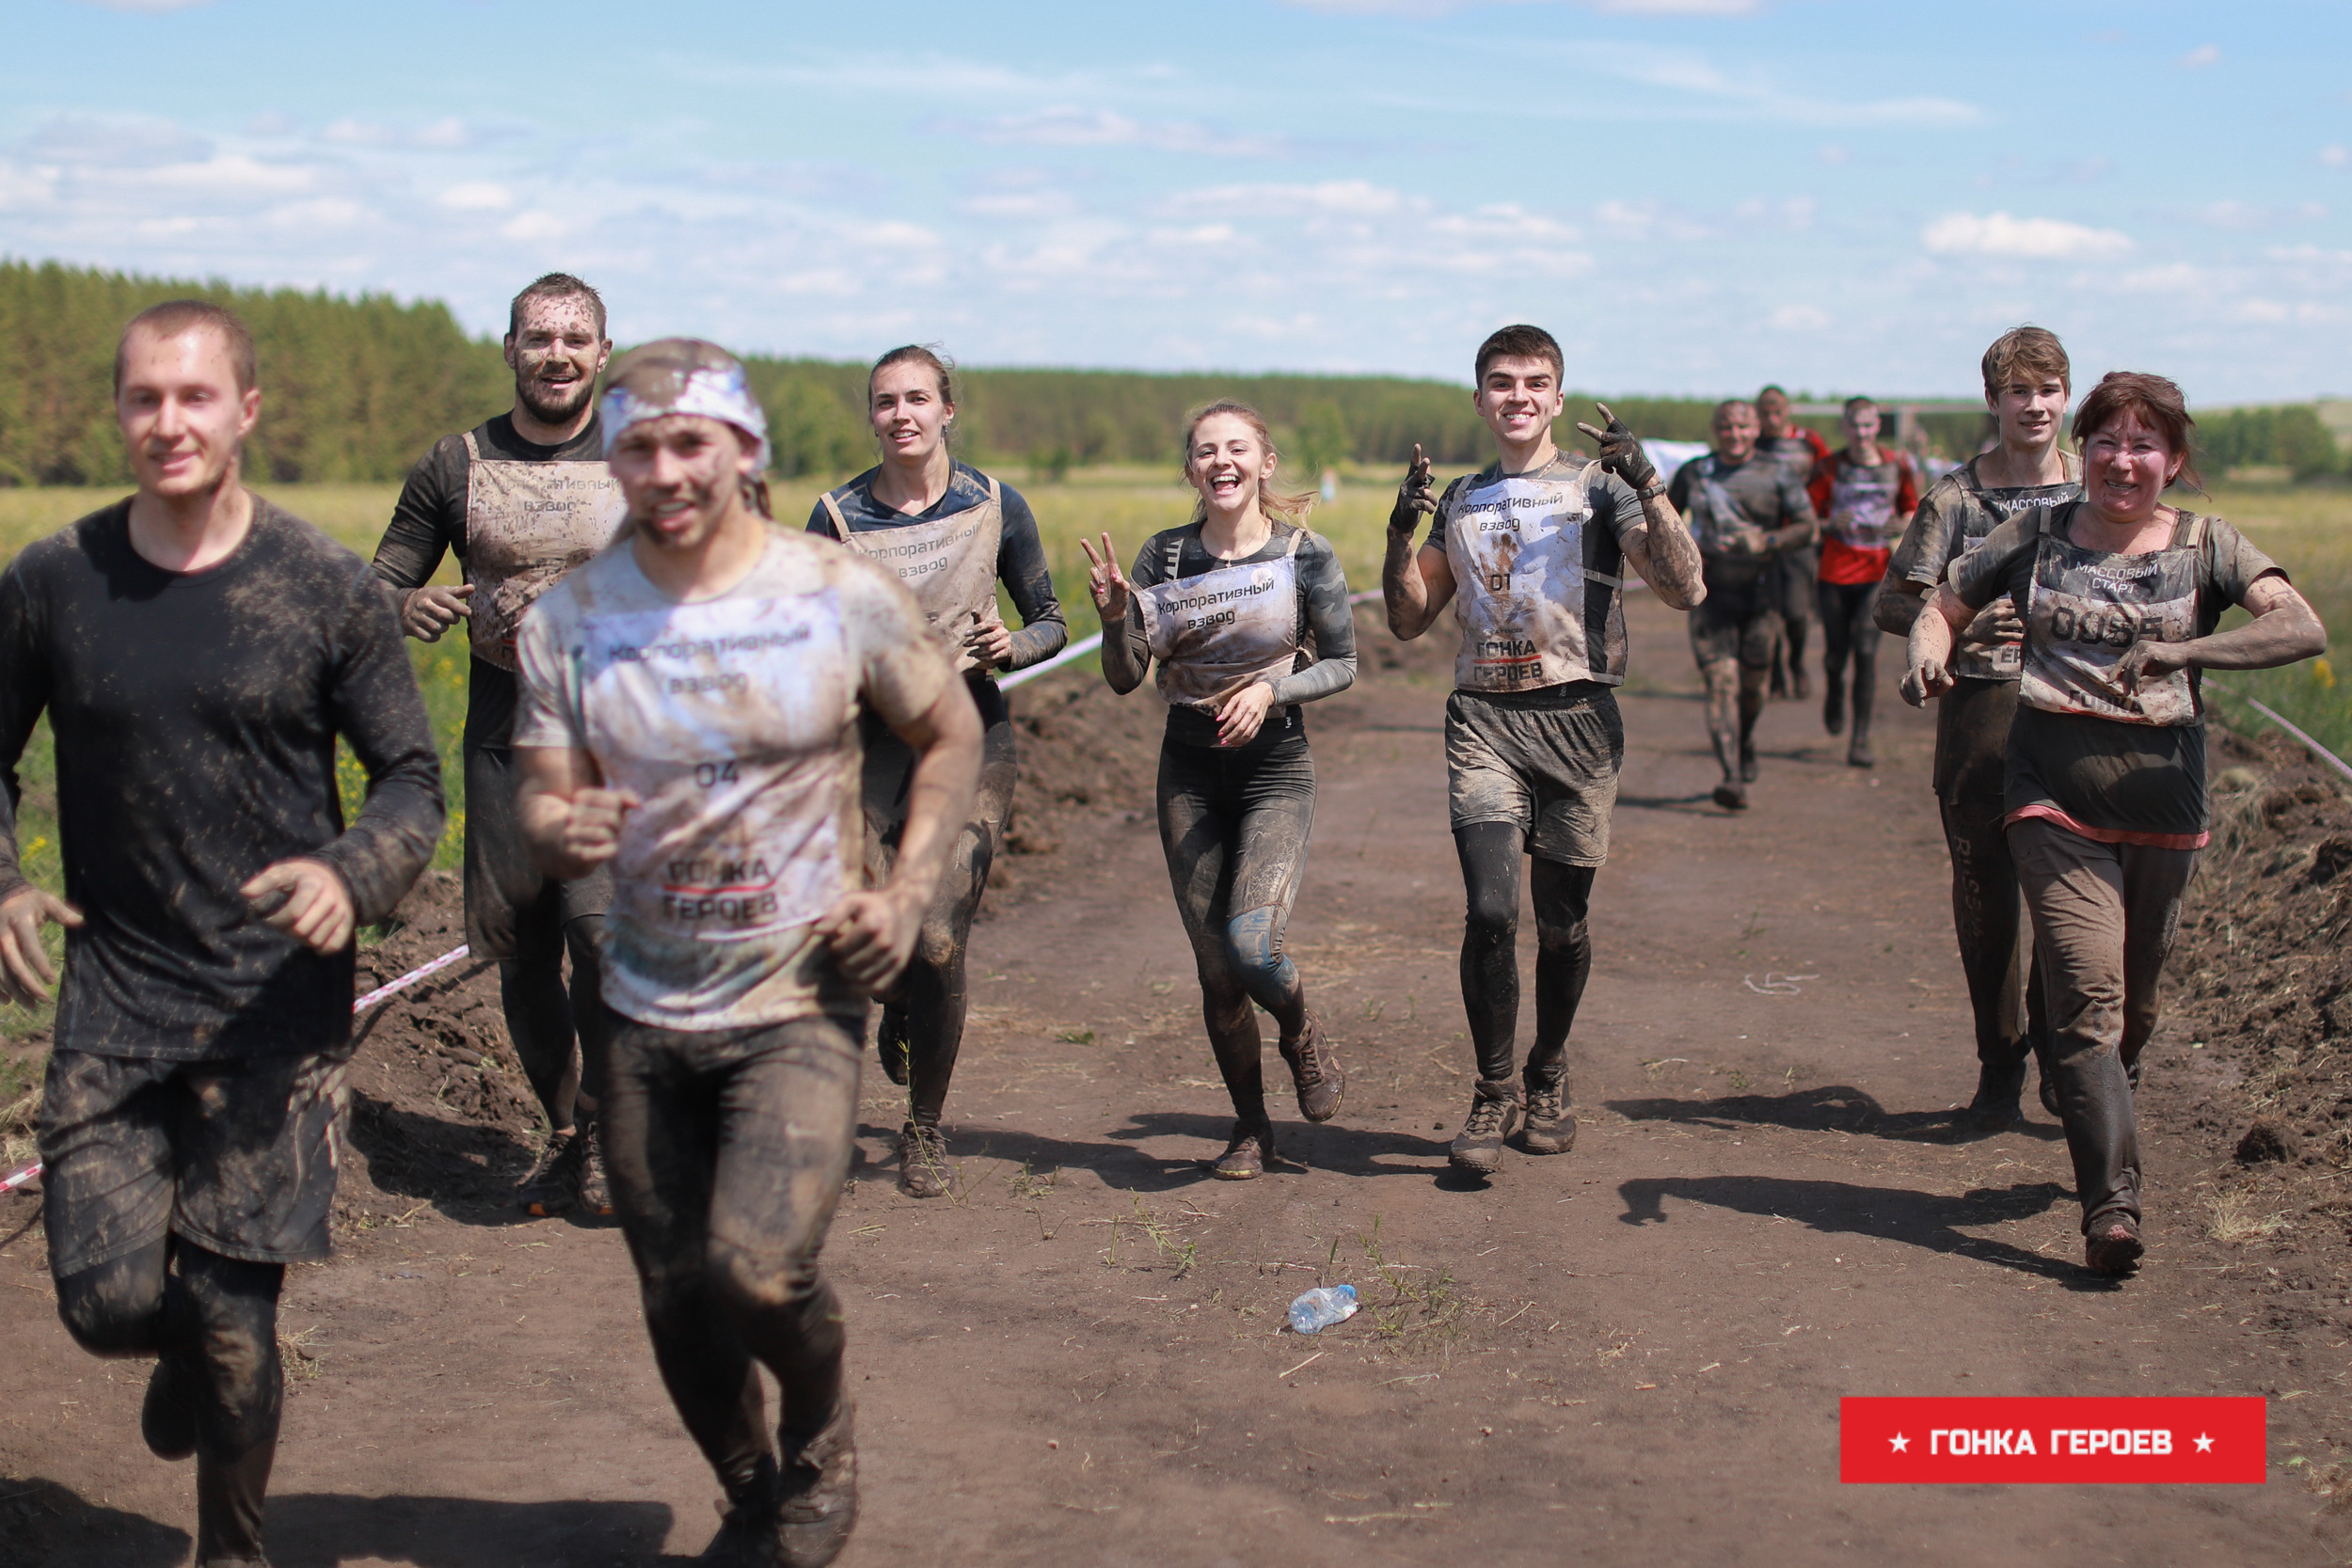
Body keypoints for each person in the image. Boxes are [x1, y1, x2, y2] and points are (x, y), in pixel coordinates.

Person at [516, 340, 980, 1565]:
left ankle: (822, 1433)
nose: (665, 469)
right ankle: (746, 1486)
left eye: (691, 443)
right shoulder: (570, 617)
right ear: (611, 456)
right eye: (639, 446)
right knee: (674, 1286)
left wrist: (907, 885)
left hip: (799, 993)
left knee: (759, 1269)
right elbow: (542, 799)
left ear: (745, 450)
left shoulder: (833, 592)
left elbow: (947, 728)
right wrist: (565, 826)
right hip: (639, 1000)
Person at [0, 301, 442, 1567]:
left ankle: (232, 1551)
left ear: (246, 408)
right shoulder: (50, 584)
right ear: (119, 410)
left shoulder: (324, 588)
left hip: (277, 1015)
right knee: (106, 1303)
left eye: (195, 396)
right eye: (145, 397)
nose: (168, 421)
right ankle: (179, 1339)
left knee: (239, 1316)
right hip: (116, 1003)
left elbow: (411, 776)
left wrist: (354, 871)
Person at [1905, 372, 2325, 1274]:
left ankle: (2108, 1092)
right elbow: (1942, 606)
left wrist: (2188, 647)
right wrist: (1928, 657)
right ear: (2084, 451)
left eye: (2143, 445)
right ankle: (2111, 1207)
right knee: (2086, 1002)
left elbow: (2301, 629)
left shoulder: (2210, 546)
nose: (2121, 461)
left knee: (2133, 1006)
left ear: (2173, 461)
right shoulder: (2039, 533)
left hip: (2165, 808)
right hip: (2051, 798)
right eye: (2106, 442)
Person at [1383, 325, 1707, 1176]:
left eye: (1534, 383)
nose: (1517, 396)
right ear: (1480, 398)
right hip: (1484, 721)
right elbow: (1410, 617)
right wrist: (1396, 538)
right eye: (1500, 382)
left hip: (1581, 723)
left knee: (1561, 927)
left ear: (1557, 398)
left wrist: (1649, 483)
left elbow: (1685, 586)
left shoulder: (1601, 488)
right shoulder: (1460, 497)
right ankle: (1493, 1090)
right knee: (1492, 911)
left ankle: (1548, 1070)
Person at [372, 272, 624, 1215]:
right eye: (538, 337)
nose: (555, 354)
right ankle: (567, 1132)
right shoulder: (457, 465)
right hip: (504, 738)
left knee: (602, 939)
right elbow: (380, 578)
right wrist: (407, 600)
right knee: (521, 953)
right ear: (512, 350)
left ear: (603, 353)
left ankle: (608, 1127)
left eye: (574, 338)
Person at [808, 344, 1066, 1197]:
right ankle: (901, 1006)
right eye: (886, 401)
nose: (902, 414)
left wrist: (1015, 643)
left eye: (918, 397)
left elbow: (1052, 622)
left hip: (971, 734)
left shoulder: (996, 505)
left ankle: (924, 1128)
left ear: (947, 409)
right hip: (870, 745)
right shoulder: (837, 517)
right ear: (872, 416)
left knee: (938, 936)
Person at [1080, 400, 1354, 1180]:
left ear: (1264, 463)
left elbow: (1344, 662)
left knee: (1252, 946)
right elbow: (1127, 677)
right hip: (1190, 774)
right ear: (1192, 469)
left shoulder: (1307, 555)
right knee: (1215, 971)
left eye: (1238, 448)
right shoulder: (1162, 558)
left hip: (1275, 768)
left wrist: (1275, 691)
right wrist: (1111, 621)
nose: (1222, 462)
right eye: (1206, 451)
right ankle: (1249, 1126)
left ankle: (1299, 1029)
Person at [1877, 325, 2081, 1129]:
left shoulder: (2092, 492)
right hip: (1980, 723)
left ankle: (2065, 1059)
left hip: (2076, 718)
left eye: (2049, 390)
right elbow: (1893, 600)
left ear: (2067, 396)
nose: (2035, 406)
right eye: (2019, 392)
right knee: (1989, 900)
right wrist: (1955, 628)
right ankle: (1999, 1063)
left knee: (2069, 901)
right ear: (1992, 402)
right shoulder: (1956, 499)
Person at [1667, 400, 1818, 810]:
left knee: (1754, 687)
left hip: (1762, 595)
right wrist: (1684, 552)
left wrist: (1767, 541)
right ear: (1716, 430)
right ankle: (1731, 776)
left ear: (1756, 429)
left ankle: (1746, 739)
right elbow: (1665, 519)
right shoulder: (1695, 472)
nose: (1735, 434)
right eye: (1727, 427)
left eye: (1743, 426)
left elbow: (1808, 527)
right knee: (1721, 685)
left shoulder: (1778, 472)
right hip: (1710, 596)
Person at [1807, 396, 1918, 768]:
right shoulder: (1828, 467)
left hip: (1876, 572)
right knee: (1837, 654)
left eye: (1868, 425)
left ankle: (1860, 740)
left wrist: (1902, 524)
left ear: (1877, 427)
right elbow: (1804, 519)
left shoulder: (1896, 464)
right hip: (1834, 574)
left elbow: (1912, 508)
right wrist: (1827, 525)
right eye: (1855, 425)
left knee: (1867, 653)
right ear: (1845, 427)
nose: (1861, 433)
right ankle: (1834, 690)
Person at [1756, 386, 1832, 700]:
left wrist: (1823, 519)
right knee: (1767, 611)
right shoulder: (1754, 444)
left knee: (1797, 612)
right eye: (1766, 413)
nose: (1772, 419)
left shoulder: (1807, 442)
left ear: (1787, 410)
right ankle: (1774, 673)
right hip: (1763, 539)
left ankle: (1796, 661)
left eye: (1777, 411)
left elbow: (1829, 479)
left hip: (1800, 537)